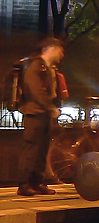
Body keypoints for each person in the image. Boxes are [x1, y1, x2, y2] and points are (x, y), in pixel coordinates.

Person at [18, 36, 64, 196]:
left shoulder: (48, 68)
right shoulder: (36, 66)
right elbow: (36, 89)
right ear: (50, 48)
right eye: (59, 50)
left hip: (43, 113)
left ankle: (38, 181)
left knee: (42, 149)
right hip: (35, 112)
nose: (61, 54)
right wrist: (50, 107)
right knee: (31, 149)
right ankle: (24, 183)